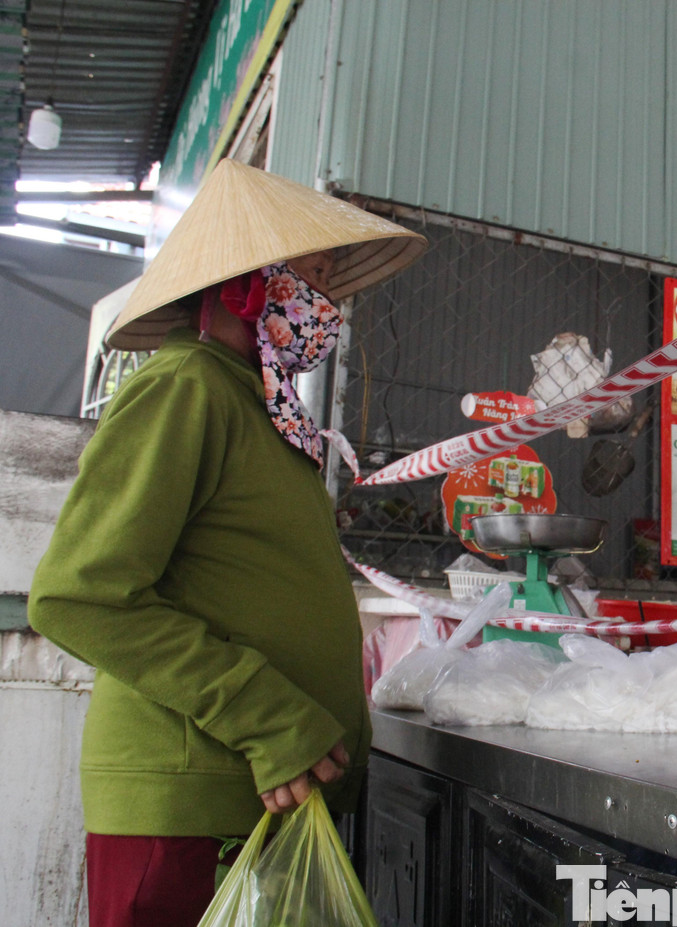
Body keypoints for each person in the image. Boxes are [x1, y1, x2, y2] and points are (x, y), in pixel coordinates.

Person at [27, 159, 425, 927]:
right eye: (314, 273)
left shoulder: (261, 408)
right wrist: (270, 717)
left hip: (249, 798)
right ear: (253, 280)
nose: (329, 300)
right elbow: (79, 596)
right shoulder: (186, 386)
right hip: (182, 811)